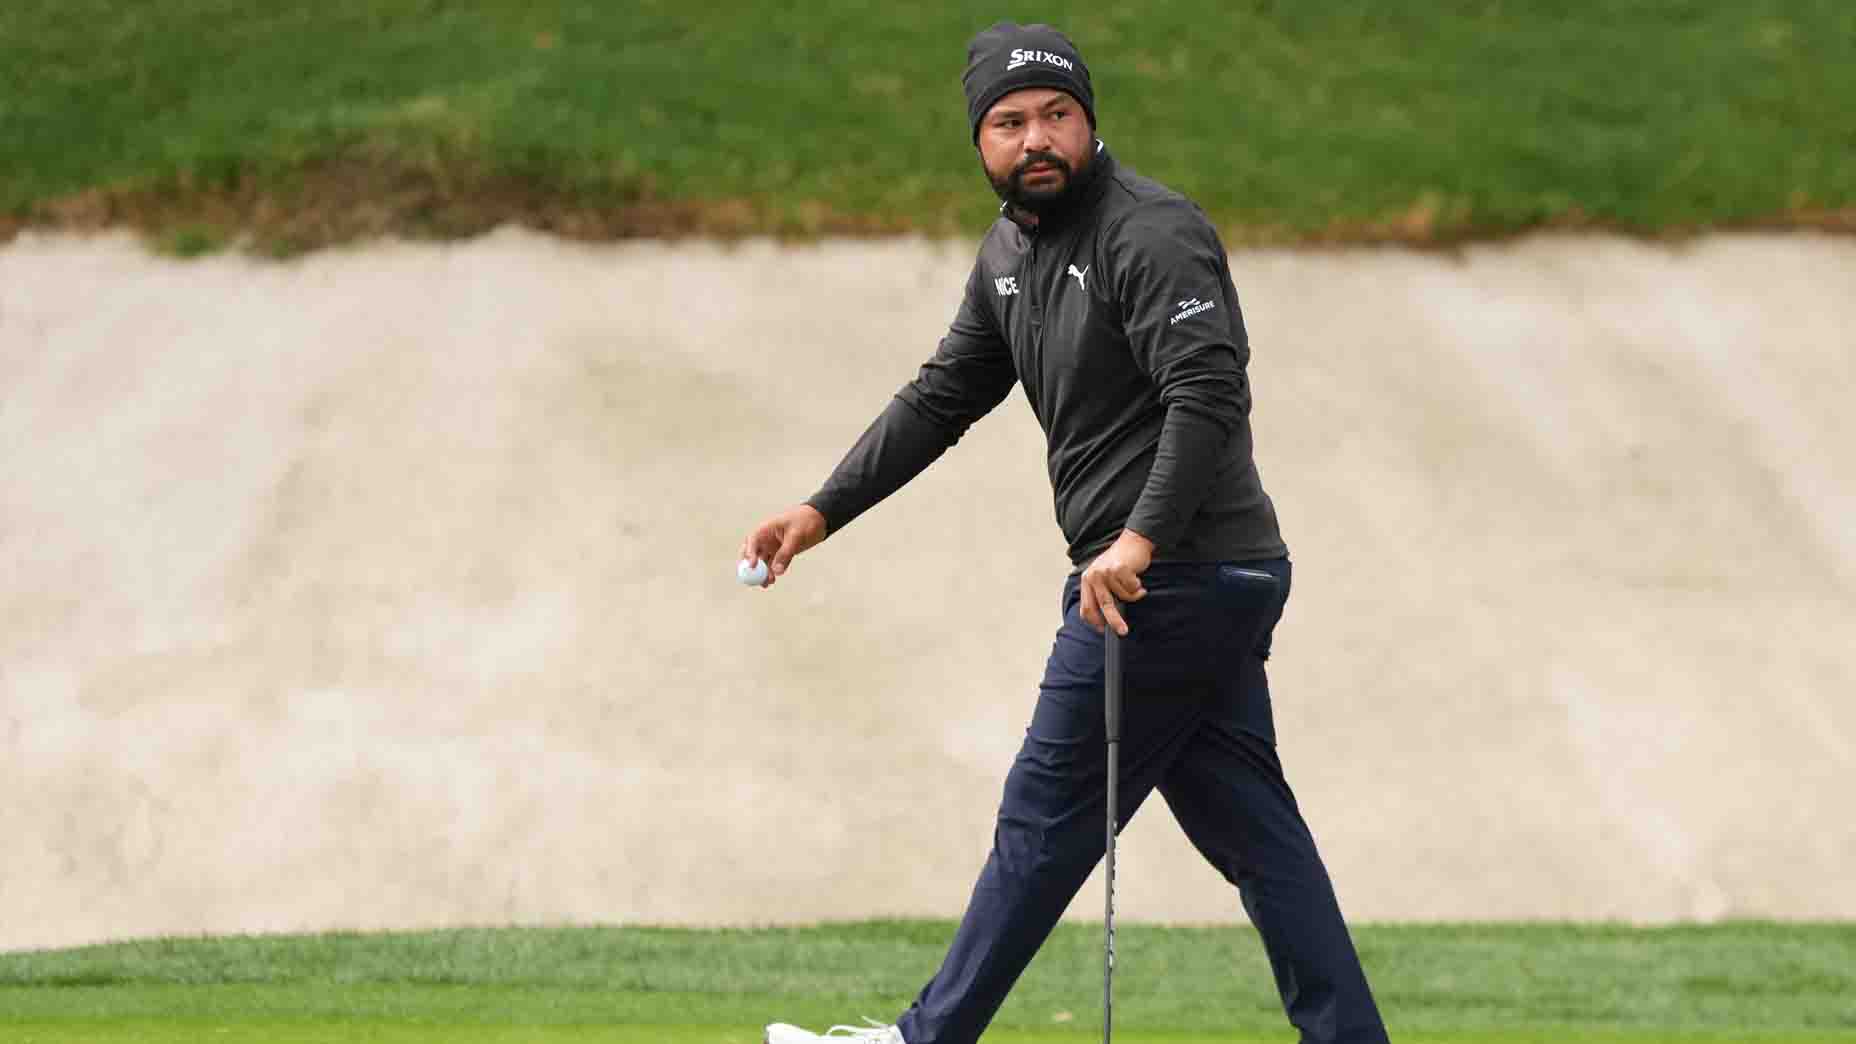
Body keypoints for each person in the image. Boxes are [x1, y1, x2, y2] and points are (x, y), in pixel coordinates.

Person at [743, 21, 1390, 1044]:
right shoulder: (1007, 253)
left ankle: (924, 1040)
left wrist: (1136, 539)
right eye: (1009, 122)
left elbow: (1204, 392)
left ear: (1088, 123)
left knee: (1041, 816)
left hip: (1168, 575)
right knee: (1255, 837)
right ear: (979, 142)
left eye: (1056, 115)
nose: (1035, 138)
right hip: (1193, 576)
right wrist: (821, 510)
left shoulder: (1149, 231)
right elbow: (941, 396)